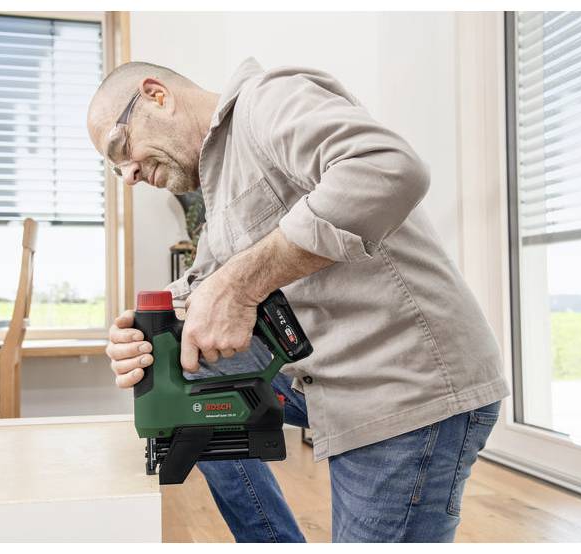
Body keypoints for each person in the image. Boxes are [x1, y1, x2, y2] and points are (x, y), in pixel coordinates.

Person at [86, 58, 509, 543]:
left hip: (405, 387)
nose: (129, 174)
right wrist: (143, 329)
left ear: (157, 95)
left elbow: (389, 168)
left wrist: (241, 284)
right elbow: (208, 282)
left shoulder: (267, 101)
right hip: (329, 380)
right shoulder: (219, 182)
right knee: (181, 375)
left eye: (123, 149)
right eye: (116, 168)